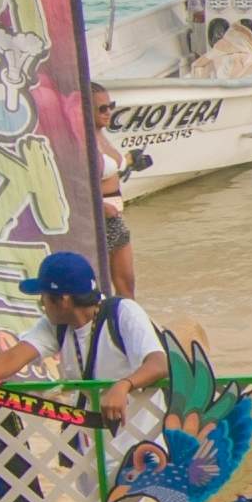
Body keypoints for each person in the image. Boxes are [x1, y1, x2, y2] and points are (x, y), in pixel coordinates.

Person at [20, 249, 168, 425]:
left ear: (64, 300)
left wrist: (124, 385)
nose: (42, 304)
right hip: (94, 439)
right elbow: (13, 357)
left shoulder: (123, 312)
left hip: (145, 441)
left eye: (42, 298)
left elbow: (160, 364)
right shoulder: (56, 324)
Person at [91, 91, 141, 303]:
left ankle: (127, 329)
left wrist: (130, 162)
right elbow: (74, 181)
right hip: (98, 220)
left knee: (127, 287)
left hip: (115, 218)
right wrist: (99, 206)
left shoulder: (101, 134)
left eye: (110, 106)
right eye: (102, 108)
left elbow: (109, 170)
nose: (108, 112)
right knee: (98, 292)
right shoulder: (81, 139)